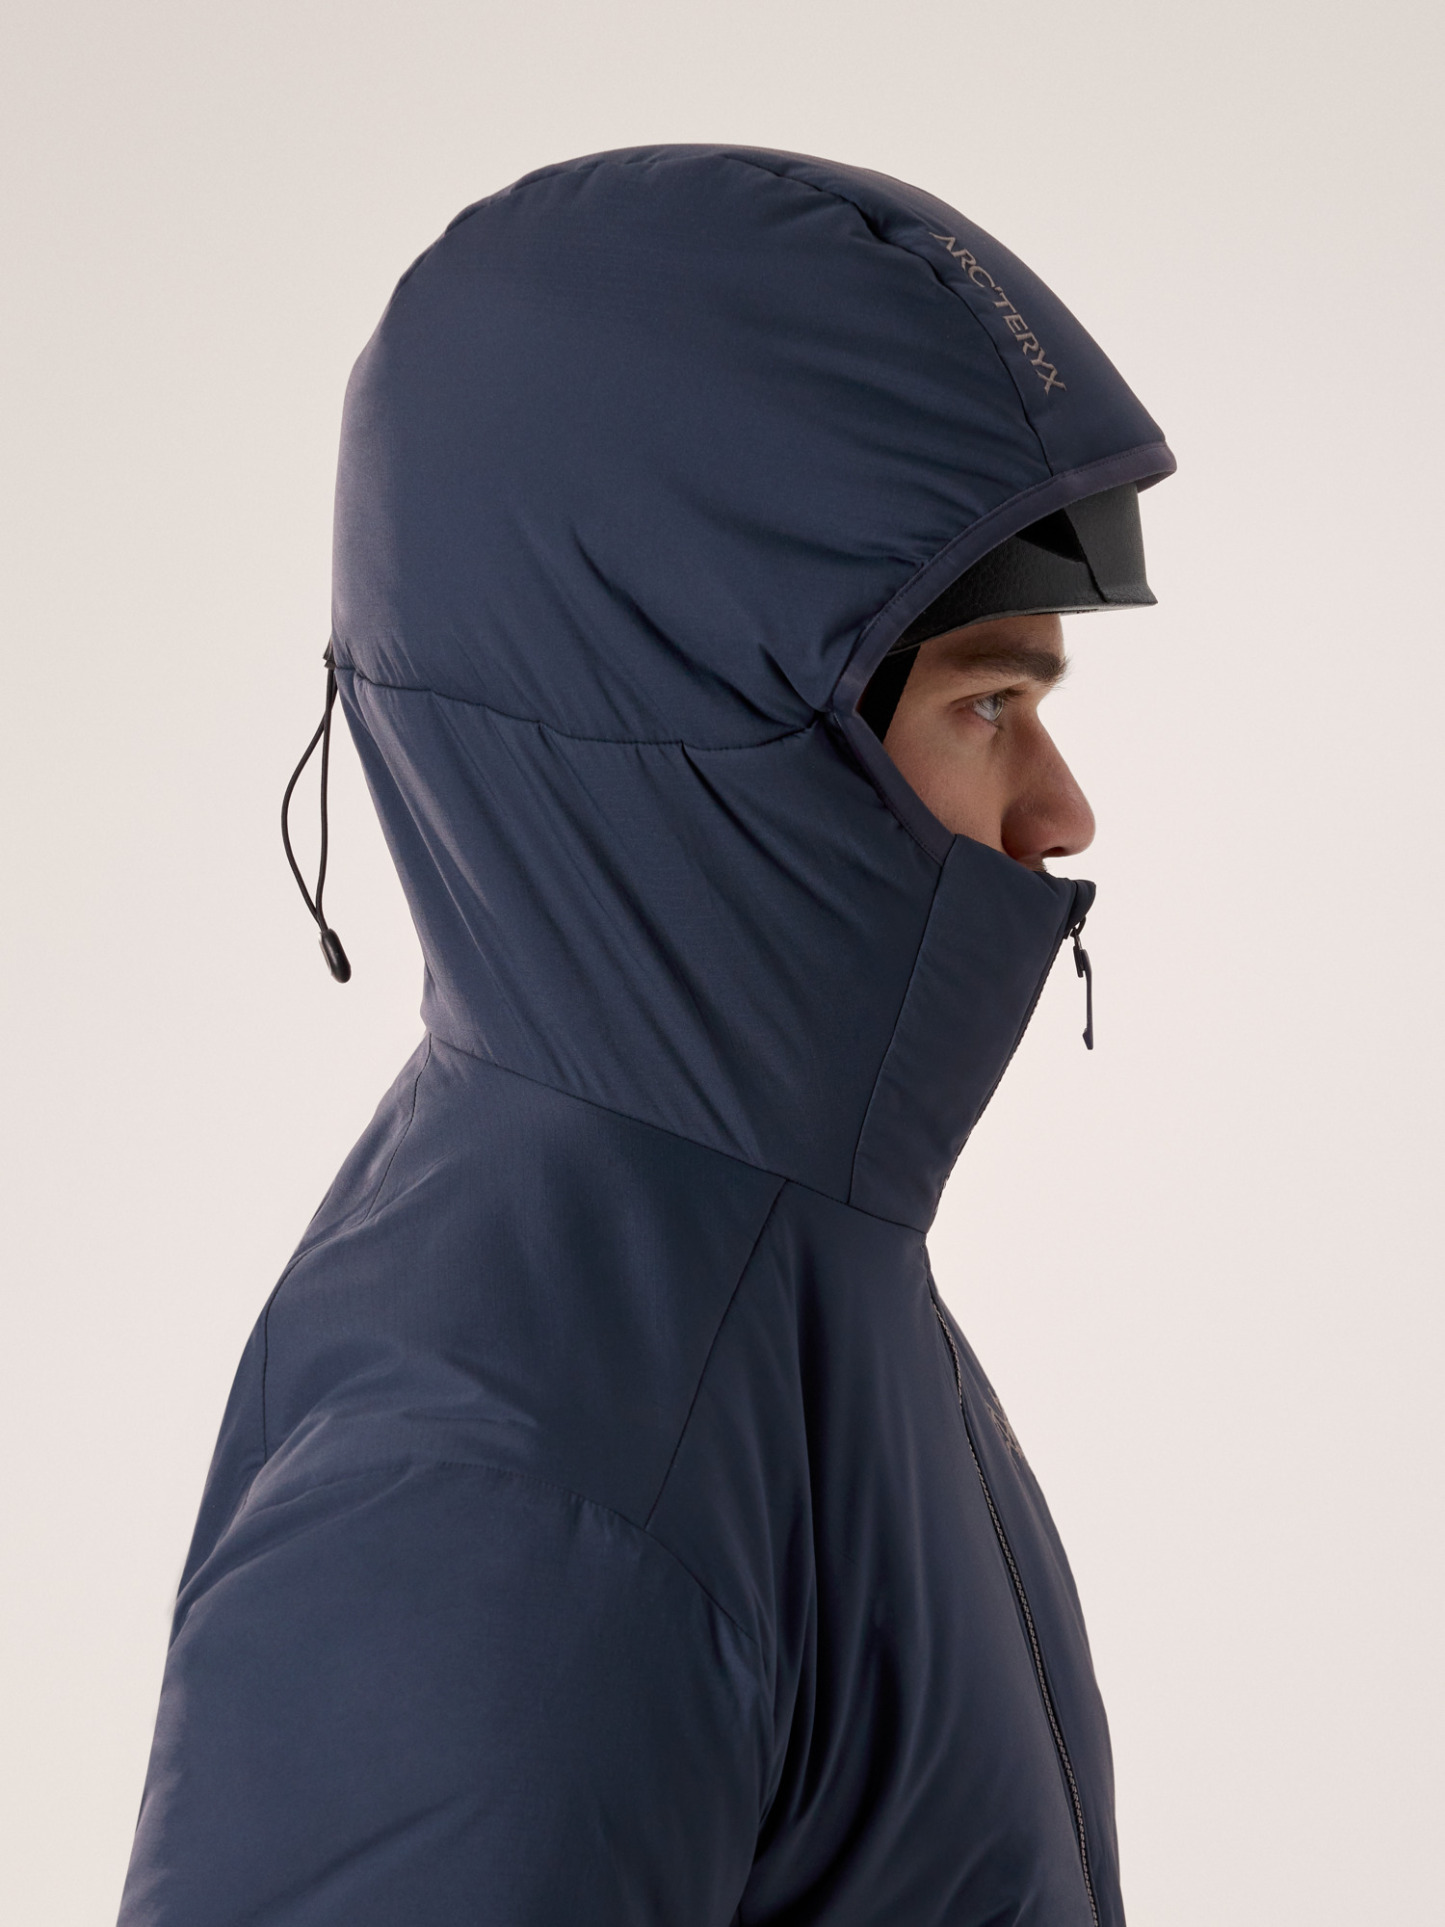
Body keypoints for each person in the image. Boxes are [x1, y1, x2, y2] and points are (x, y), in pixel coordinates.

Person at [118, 145, 1173, 1926]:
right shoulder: (512, 1488)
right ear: (721, 741)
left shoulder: (770, 1281)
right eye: (987, 701)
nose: (1061, 811)